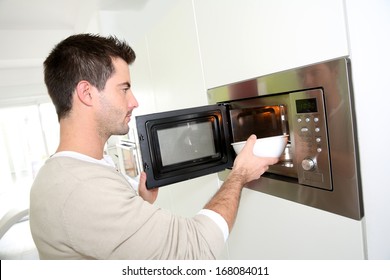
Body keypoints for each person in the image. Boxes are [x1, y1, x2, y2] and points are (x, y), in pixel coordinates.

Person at [29, 34, 278, 260]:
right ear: (86, 92)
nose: (134, 101)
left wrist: (138, 205)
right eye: (124, 89)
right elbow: (195, 251)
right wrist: (239, 175)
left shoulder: (62, 172)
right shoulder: (81, 188)